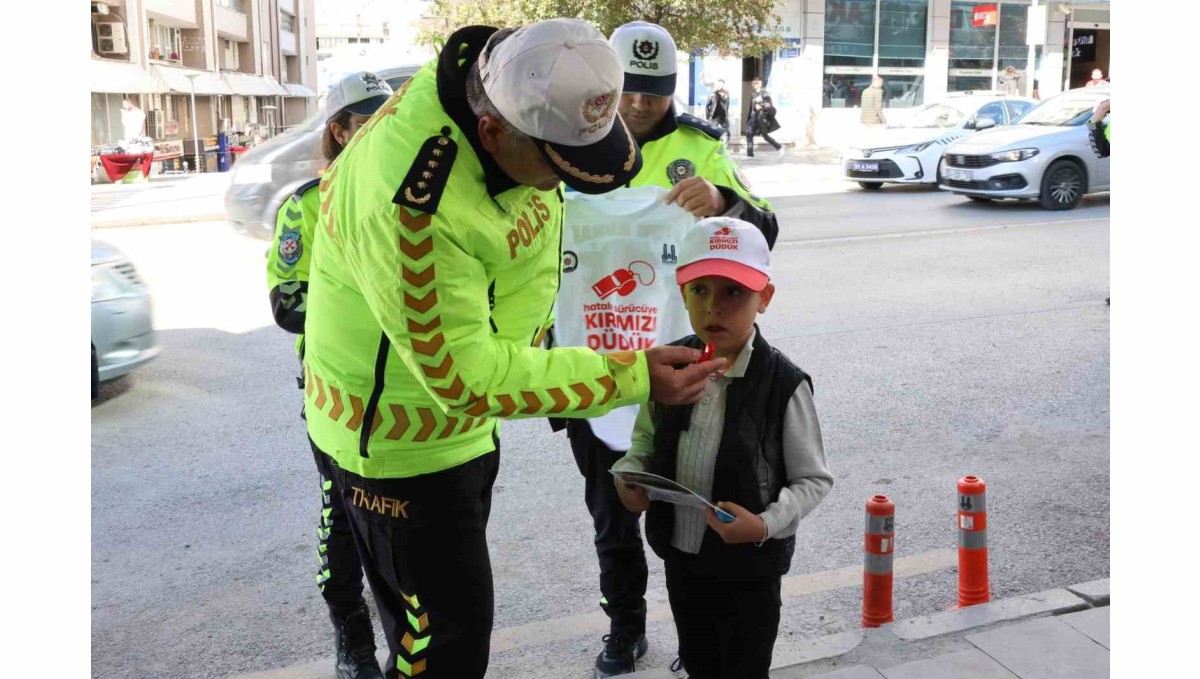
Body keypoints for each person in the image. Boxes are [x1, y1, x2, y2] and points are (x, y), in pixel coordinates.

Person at [303, 19, 725, 679]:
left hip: (463, 431)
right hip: (401, 451)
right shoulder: (417, 210)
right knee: (442, 653)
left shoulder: (502, 77)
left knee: (460, 625)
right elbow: (466, 379)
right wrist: (629, 373)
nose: (562, 185)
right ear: (495, 132)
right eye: (555, 166)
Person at [557, 20, 780, 678]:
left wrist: (724, 201)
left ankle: (698, 629)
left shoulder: (698, 149)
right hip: (598, 360)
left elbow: (766, 224)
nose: (639, 105)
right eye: (629, 90)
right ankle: (624, 627)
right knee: (611, 514)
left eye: (652, 93)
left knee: (693, 514)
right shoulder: (569, 141)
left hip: (688, 366)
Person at [613, 217, 834, 679]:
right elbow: (646, 442)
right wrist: (632, 475)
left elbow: (813, 479)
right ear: (683, 295)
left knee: (744, 666)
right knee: (699, 658)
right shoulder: (667, 367)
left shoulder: (784, 384)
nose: (714, 307)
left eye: (734, 292)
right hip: (682, 556)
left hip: (750, 570)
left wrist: (764, 525)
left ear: (764, 299)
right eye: (700, 291)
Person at [266, 71, 395, 679]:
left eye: (387, 118)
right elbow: (287, 303)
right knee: (343, 515)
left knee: (408, 530)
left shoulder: (412, 194)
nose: (379, 132)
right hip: (337, 392)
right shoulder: (308, 205)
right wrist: (368, 303)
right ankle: (351, 634)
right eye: (366, 121)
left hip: (412, 395)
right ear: (339, 132)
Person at [745, 77, 783, 158]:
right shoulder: (753, 94)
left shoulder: (764, 93)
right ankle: (750, 155)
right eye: (753, 83)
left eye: (757, 83)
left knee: (765, 136)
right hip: (753, 117)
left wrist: (761, 105)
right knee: (749, 134)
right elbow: (750, 108)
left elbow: (769, 104)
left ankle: (779, 147)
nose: (755, 84)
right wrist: (748, 119)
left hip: (761, 117)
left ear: (761, 84)